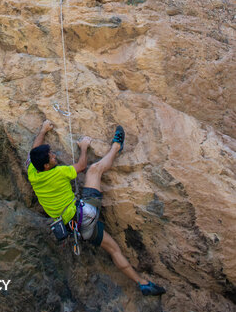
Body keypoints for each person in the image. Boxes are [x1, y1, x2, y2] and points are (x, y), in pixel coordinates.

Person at [27, 120, 166, 296]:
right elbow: (82, 167)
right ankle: (117, 146)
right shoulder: (58, 173)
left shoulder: (33, 173)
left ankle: (143, 284)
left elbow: (33, 150)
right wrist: (84, 147)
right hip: (85, 213)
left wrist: (42, 131)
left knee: (114, 249)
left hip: (79, 229)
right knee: (94, 170)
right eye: (52, 157)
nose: (54, 156)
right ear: (46, 166)